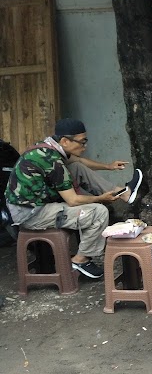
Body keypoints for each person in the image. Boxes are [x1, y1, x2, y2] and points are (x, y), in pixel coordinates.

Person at [4, 118, 143, 279]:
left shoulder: (48, 148)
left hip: (34, 201)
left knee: (76, 168)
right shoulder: (52, 161)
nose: (84, 147)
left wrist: (108, 166)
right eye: (82, 142)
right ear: (65, 141)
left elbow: (78, 161)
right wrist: (100, 198)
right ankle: (81, 259)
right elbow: (73, 200)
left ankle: (123, 193)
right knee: (99, 212)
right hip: (30, 213)